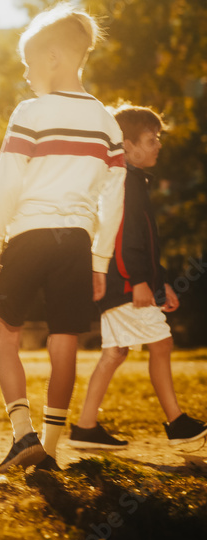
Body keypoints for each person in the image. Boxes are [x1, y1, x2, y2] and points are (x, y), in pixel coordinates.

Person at [0, 3, 126, 473]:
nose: (25, 74)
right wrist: (100, 261)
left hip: (28, 235)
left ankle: (22, 434)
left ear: (55, 57)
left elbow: (6, 181)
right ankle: (50, 447)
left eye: (29, 62)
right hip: (77, 243)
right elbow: (114, 200)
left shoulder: (31, 112)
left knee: (5, 334)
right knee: (64, 340)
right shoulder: (108, 122)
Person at [68, 105, 207, 449]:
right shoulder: (123, 183)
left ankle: (85, 428)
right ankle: (177, 423)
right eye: (151, 139)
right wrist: (139, 282)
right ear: (126, 146)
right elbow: (122, 238)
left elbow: (144, 241)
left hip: (125, 283)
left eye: (158, 139)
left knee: (115, 353)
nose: (158, 145)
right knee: (161, 343)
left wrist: (160, 284)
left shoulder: (133, 181)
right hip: (125, 284)